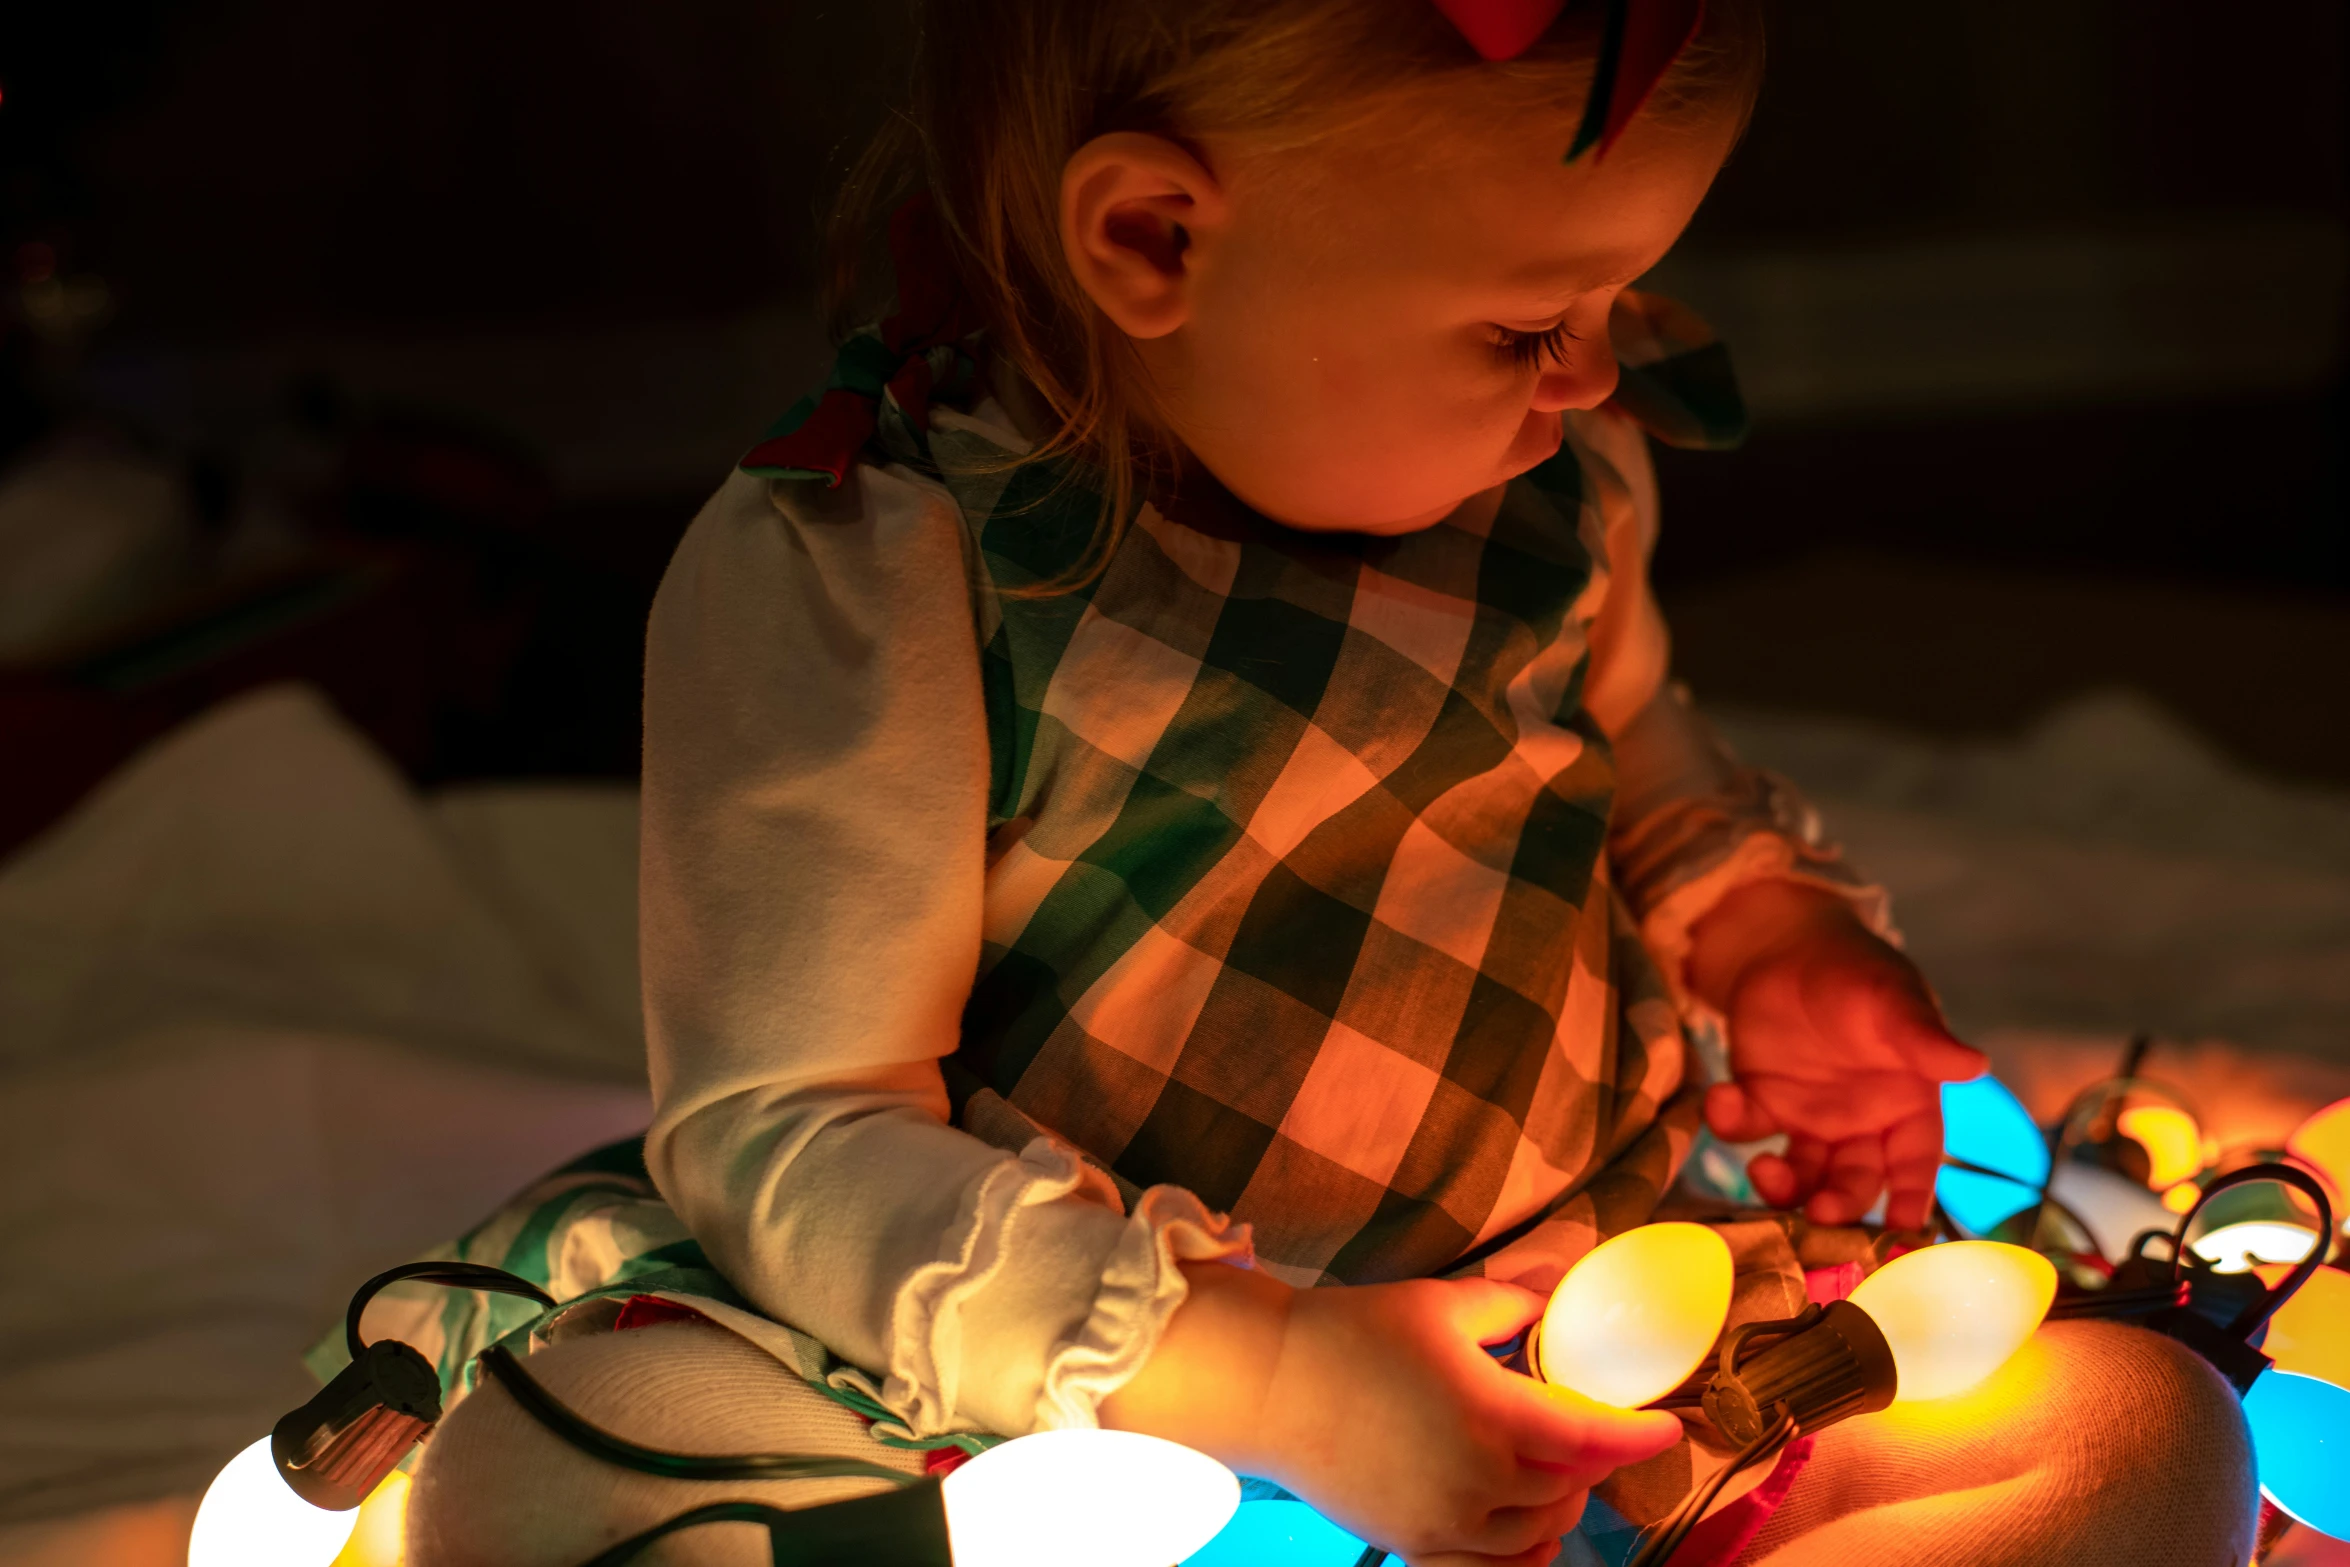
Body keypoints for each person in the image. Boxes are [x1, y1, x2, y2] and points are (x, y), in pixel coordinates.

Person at [405, 2, 2257, 1562]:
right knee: (567, 1468)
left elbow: (1645, 763)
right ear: (1150, 241)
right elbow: (791, 1127)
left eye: (1621, 289)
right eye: (1528, 321)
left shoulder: (1559, 480)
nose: (1591, 368)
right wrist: (1272, 1373)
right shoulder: (872, 564)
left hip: (1585, 1325)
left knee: (2135, 1428)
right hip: (1041, 1383)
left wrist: (1763, 930)